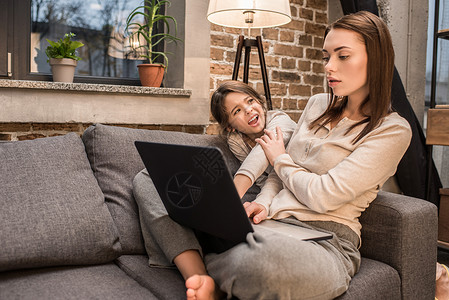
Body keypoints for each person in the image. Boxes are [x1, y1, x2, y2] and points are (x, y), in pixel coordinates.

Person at [133, 11, 412, 300]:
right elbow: (279, 178)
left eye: (342, 56)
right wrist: (263, 205)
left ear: (377, 60)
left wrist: (279, 158)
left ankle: (211, 262)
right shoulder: (317, 105)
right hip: (269, 225)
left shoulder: (393, 130)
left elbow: (324, 195)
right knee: (150, 178)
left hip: (325, 243)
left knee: (268, 262)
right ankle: (198, 274)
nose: (329, 67)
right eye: (326, 56)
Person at [209, 80, 297, 198]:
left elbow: (260, 154)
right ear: (230, 127)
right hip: (281, 187)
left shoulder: (280, 120)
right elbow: (261, 179)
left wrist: (231, 197)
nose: (248, 110)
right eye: (237, 111)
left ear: (259, 102)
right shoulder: (237, 141)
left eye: (250, 101)